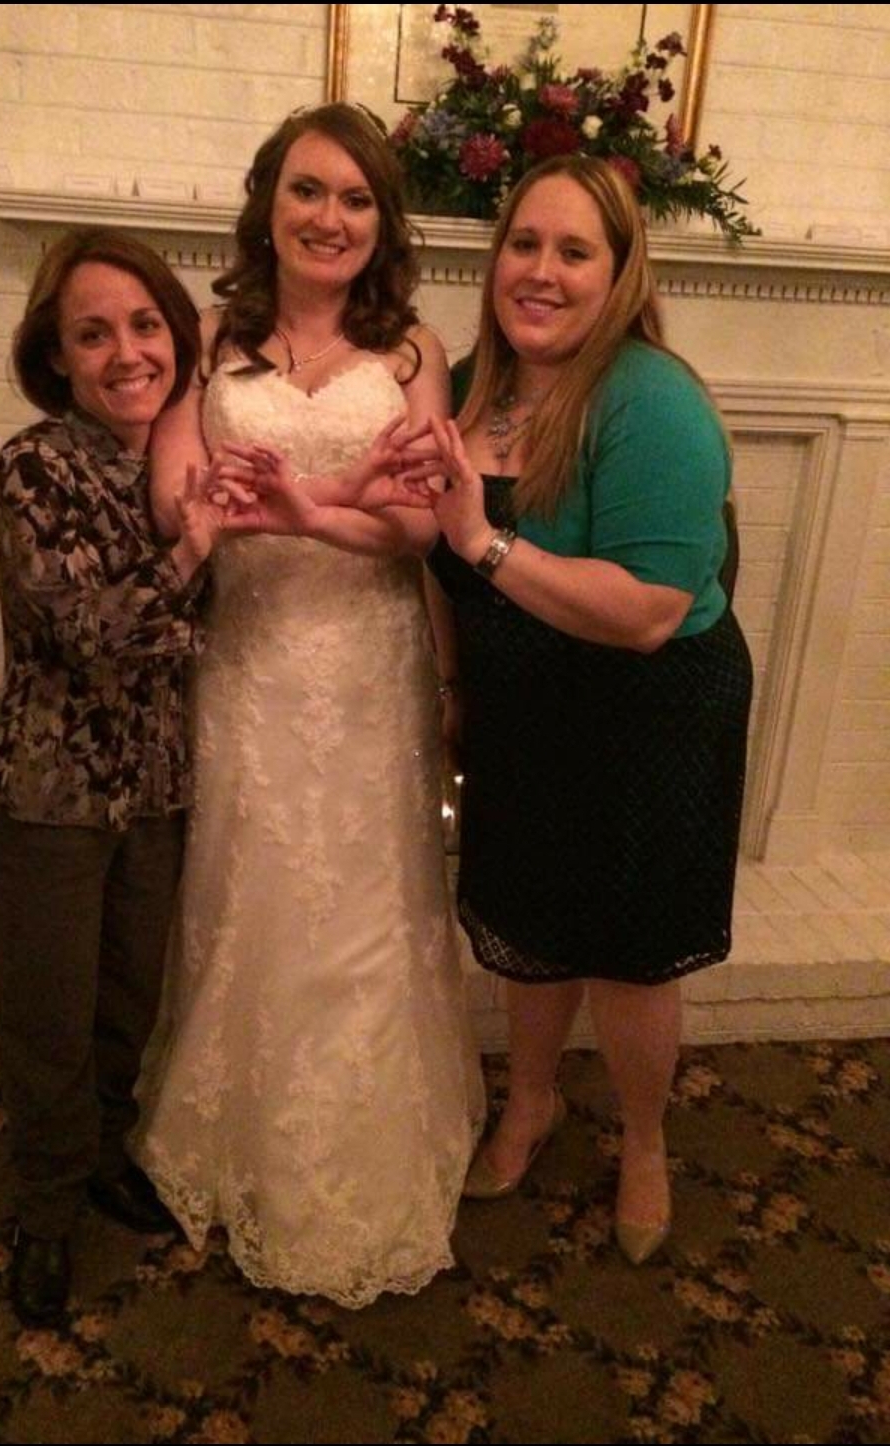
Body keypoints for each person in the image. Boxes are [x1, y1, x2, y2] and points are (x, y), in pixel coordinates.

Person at [134, 103, 485, 1308]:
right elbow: (178, 496)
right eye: (306, 189)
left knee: (365, 911)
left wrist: (301, 508)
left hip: (368, 666)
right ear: (267, 203)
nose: (328, 217)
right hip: (250, 665)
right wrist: (314, 498)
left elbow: (418, 527)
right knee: (251, 894)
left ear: (380, 222)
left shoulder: (412, 354)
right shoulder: (205, 339)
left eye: (354, 197)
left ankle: (366, 1154)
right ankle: (236, 1141)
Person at [420, 154, 753, 1264]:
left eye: (574, 251)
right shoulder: (466, 386)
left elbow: (647, 611)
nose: (542, 271)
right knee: (527, 925)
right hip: (521, 709)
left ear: (618, 275)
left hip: (647, 717)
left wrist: (484, 541)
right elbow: (427, 557)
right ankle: (529, 1105)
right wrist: (454, 686)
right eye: (524, 244)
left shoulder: (651, 400)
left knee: (625, 954)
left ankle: (644, 1140)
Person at [0, 228, 220, 1326]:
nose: (126, 353)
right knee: (49, 1023)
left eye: (145, 324)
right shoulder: (33, 464)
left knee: (127, 1005)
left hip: (157, 789)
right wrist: (192, 553)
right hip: (47, 796)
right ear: (57, 357)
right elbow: (85, 632)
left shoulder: (184, 463)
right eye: (93, 333)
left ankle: (106, 1158)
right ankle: (44, 1213)